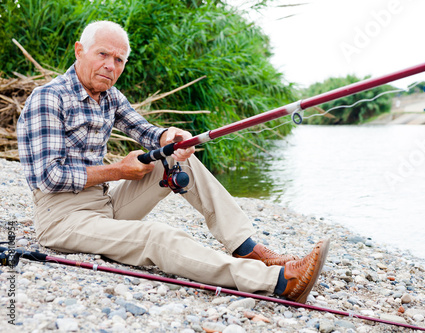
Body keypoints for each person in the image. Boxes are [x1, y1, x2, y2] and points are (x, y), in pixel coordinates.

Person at [16, 20, 329, 303]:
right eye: (102, 55)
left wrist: (169, 137)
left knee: (179, 162)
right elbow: (49, 177)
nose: (111, 66)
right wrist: (118, 170)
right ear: (80, 51)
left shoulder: (110, 96)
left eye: (119, 59)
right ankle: (277, 282)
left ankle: (247, 248)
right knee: (157, 236)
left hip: (104, 205)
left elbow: (147, 132)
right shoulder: (49, 97)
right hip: (61, 219)